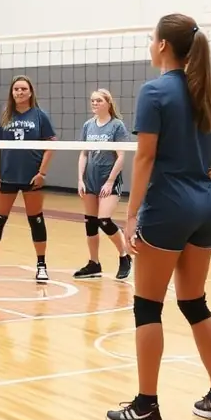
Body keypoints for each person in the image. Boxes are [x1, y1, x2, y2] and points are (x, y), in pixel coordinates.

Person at [106, 13, 211, 420]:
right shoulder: (205, 93)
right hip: (206, 205)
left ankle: (146, 407)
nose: (149, 44)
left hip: (169, 206)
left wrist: (131, 215)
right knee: (194, 301)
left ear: (163, 46)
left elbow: (144, 158)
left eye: (151, 39)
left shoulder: (155, 91)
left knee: (147, 305)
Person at [0, 75, 57, 283]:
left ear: (30, 92)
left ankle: (41, 265)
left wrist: (42, 173)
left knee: (36, 220)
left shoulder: (39, 116)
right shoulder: (5, 116)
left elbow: (51, 144)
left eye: (23, 89)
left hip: (32, 177)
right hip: (8, 175)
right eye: (16, 89)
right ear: (12, 92)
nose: (19, 92)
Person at [74, 88, 131, 281]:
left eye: (98, 101)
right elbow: (83, 153)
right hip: (90, 179)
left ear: (108, 102)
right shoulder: (88, 125)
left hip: (108, 179)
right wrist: (80, 179)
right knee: (90, 223)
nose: (95, 104)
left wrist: (110, 181)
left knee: (104, 220)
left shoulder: (117, 126)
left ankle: (124, 256)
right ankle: (94, 263)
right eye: (92, 101)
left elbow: (122, 156)